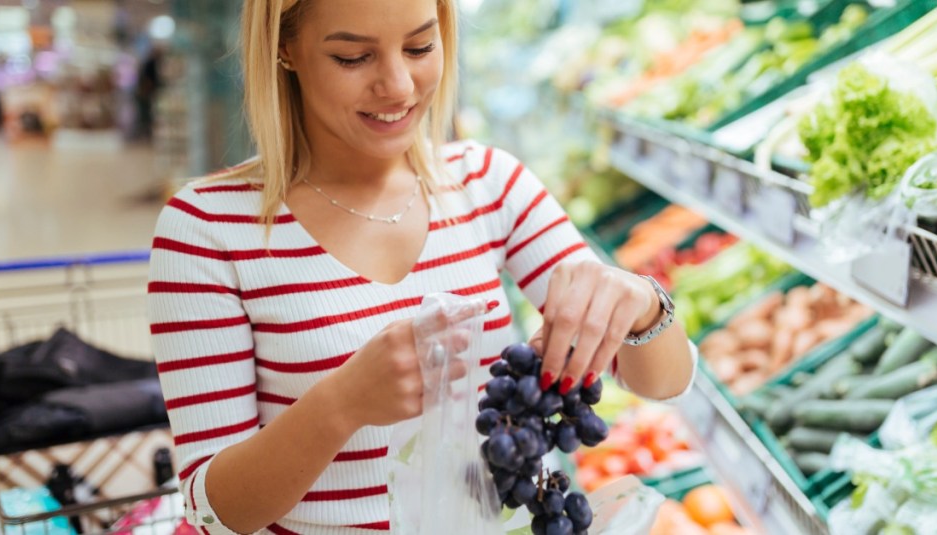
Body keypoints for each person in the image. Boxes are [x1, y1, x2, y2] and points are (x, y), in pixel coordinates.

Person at [147, 1, 695, 533]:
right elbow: (215, 512)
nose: (400, 86)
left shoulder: (487, 184)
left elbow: (667, 381)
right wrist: (341, 404)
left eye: (419, 46)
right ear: (285, 48)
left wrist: (642, 305)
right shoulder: (205, 228)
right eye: (353, 57)